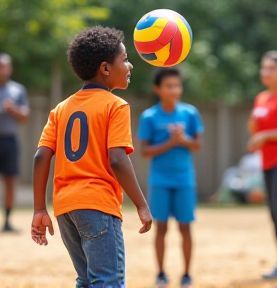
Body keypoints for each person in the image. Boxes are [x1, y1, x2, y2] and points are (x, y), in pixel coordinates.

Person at [31, 26, 152, 288]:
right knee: (107, 281)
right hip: (98, 204)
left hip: (65, 209)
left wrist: (40, 208)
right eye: (125, 59)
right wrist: (141, 204)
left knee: (86, 280)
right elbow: (118, 160)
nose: (130, 66)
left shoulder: (61, 108)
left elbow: (41, 157)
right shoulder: (116, 105)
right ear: (106, 68)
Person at [138, 68, 204, 288]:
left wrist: (182, 139)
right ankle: (161, 273)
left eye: (177, 85)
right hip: (160, 181)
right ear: (158, 89)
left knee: (185, 227)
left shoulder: (190, 113)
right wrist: (170, 142)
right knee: (161, 228)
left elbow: (197, 145)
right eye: (169, 86)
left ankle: (186, 274)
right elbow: (145, 151)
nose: (174, 90)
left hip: (184, 179)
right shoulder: (149, 116)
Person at [248, 51, 277, 278]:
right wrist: (255, 136)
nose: (266, 72)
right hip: (268, 161)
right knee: (274, 213)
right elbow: (256, 128)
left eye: (271, 68)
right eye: (264, 68)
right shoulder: (261, 98)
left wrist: (264, 137)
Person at [0, 53, 29, 232]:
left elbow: (25, 117)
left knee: (11, 180)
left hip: (10, 140)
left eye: (4, 66)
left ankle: (8, 221)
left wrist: (13, 109)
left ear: (10, 68)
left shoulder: (17, 90)